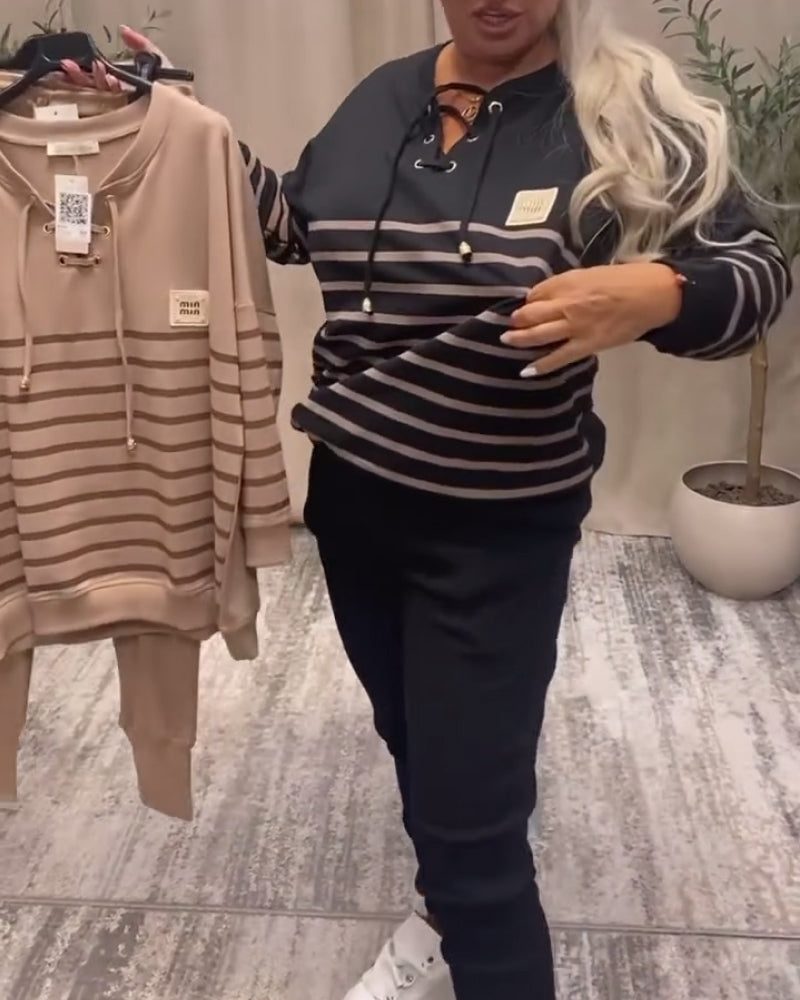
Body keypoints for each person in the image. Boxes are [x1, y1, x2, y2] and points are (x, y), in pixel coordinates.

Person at [62, 2, 791, 998]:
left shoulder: (609, 111)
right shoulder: (383, 98)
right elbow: (291, 226)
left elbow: (755, 273)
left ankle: (463, 912)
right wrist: (178, 127)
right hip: (353, 507)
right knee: (415, 737)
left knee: (476, 838)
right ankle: (441, 910)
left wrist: (657, 293)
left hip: (496, 529)